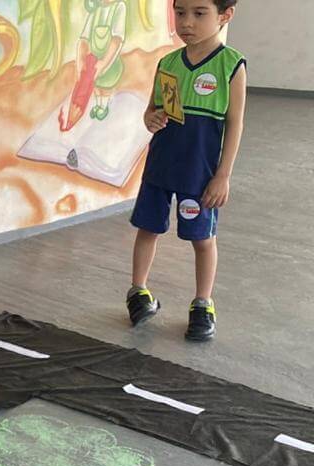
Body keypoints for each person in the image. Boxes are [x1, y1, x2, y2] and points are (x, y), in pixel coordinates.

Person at [127, 0, 245, 341]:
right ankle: (138, 292)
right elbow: (153, 111)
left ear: (225, 15)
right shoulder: (167, 63)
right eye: (180, 13)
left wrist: (223, 175)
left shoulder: (231, 65)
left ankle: (202, 305)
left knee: (202, 239)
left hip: (201, 175)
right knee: (147, 228)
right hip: (160, 168)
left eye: (199, 13)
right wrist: (150, 118)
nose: (187, 22)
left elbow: (235, 124)